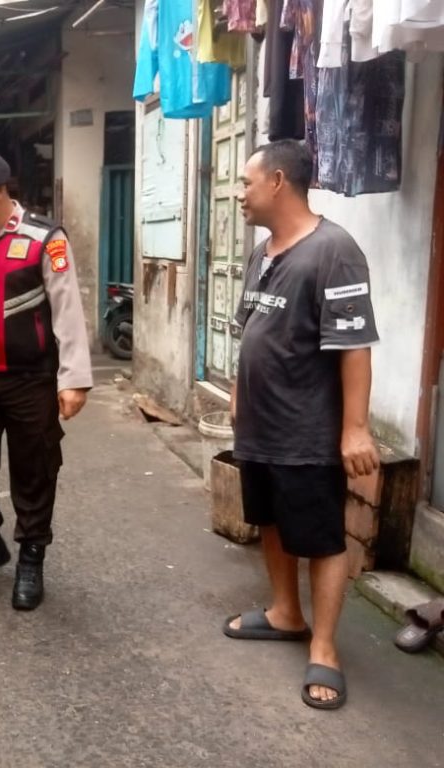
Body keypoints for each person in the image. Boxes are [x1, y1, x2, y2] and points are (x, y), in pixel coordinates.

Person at [223, 140, 380, 711]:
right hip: (260, 427)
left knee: (319, 536)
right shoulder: (263, 251)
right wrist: (240, 394)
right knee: (267, 519)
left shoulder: (334, 249)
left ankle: (325, 646)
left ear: (278, 182)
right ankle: (286, 612)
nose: (239, 193)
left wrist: (355, 428)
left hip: (306, 428)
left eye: (245, 182)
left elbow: (355, 344)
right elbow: (249, 329)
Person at [0, 149, 93, 611]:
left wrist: (74, 379)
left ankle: (31, 555)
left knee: (34, 471)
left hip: (32, 379)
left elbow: (67, 309)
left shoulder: (43, 239)